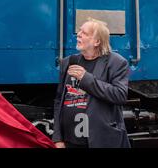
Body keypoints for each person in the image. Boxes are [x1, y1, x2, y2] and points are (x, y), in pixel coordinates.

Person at [52, 18, 131, 148]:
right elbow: (59, 100)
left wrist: (85, 78)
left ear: (97, 41)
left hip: (101, 140)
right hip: (71, 141)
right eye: (79, 31)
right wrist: (57, 138)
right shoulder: (68, 62)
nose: (78, 34)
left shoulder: (116, 62)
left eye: (85, 33)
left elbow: (120, 95)